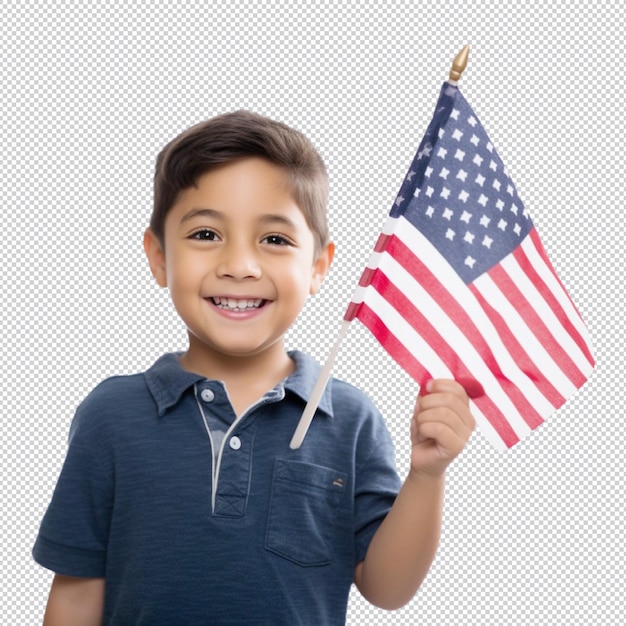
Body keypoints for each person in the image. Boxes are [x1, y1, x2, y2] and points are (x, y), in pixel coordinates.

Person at [33, 110, 475, 625]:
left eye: (274, 240)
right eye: (204, 234)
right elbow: (76, 592)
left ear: (318, 267)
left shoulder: (350, 420)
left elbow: (387, 587)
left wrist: (428, 473)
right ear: (157, 256)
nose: (240, 265)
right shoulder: (111, 416)